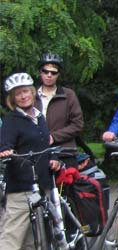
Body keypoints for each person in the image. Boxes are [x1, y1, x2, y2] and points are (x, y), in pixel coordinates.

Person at [0, 73, 62, 249]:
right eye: (17, 94)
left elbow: (46, 143)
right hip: (21, 188)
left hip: (43, 184)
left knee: (34, 240)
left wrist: (54, 158)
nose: (23, 96)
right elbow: (5, 144)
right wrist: (6, 152)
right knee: (12, 237)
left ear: (32, 92)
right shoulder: (11, 120)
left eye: (26, 91)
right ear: (12, 99)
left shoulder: (39, 117)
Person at [35, 53, 84, 167]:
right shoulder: (30, 96)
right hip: (36, 152)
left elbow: (78, 124)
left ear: (58, 74)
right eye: (45, 71)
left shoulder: (69, 95)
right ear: (40, 72)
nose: (49, 75)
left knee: (65, 184)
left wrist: (54, 137)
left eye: (53, 72)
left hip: (64, 152)